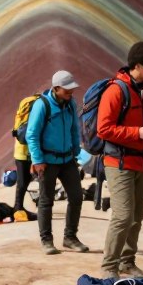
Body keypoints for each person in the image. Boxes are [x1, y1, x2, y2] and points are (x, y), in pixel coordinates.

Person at [97, 41, 143, 278]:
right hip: (119, 164)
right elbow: (103, 129)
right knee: (123, 216)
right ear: (138, 65)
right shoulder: (116, 91)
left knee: (136, 218)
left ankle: (127, 262)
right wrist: (137, 133)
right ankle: (108, 267)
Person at [26, 70, 89, 256]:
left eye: (72, 89)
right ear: (56, 88)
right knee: (46, 201)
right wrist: (37, 160)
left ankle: (70, 238)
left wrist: (76, 151)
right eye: (67, 90)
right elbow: (32, 134)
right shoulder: (42, 105)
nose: (71, 93)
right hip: (47, 161)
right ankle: (47, 240)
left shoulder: (70, 105)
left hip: (68, 159)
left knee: (77, 196)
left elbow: (74, 129)